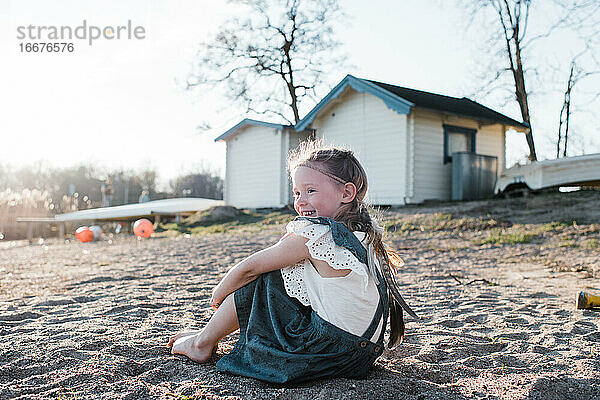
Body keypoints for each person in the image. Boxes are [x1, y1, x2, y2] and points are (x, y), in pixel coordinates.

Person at [167, 142, 419, 383]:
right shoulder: (365, 232)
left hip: (328, 351)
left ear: (347, 193)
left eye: (311, 190)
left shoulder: (318, 233)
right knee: (289, 278)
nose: (300, 201)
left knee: (266, 277)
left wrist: (218, 294)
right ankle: (206, 335)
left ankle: (202, 343)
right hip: (360, 356)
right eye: (297, 192)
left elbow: (249, 267)